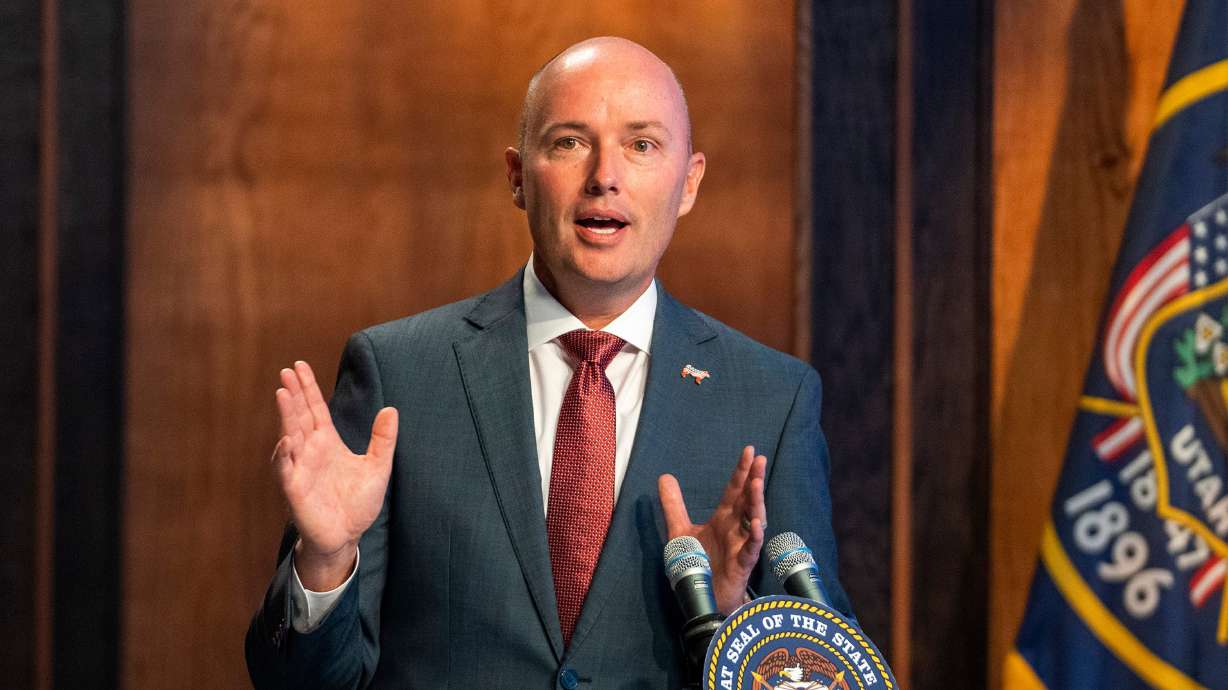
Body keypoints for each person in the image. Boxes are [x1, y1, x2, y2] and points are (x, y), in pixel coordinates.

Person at [245, 36, 853, 688]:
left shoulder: (771, 397)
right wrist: (327, 560)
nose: (604, 175)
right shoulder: (400, 373)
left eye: (642, 145)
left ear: (689, 182)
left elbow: (824, 668)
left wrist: (730, 615)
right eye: (569, 142)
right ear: (516, 176)